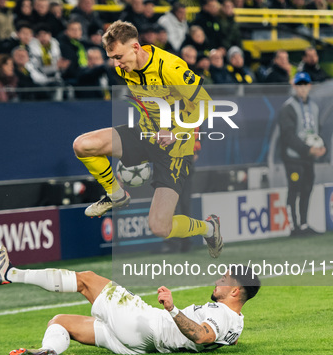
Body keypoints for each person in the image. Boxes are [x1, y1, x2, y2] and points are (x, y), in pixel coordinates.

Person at [72, 20, 224, 258]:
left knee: (160, 227)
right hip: (147, 134)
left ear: (135, 47)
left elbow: (206, 104)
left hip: (175, 148)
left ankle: (209, 228)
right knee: (82, 145)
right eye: (111, 57)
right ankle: (117, 195)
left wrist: (176, 132)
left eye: (118, 56)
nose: (116, 63)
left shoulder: (170, 67)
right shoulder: (125, 68)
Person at [0, 245, 260, 355]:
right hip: (139, 346)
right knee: (60, 322)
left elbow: (201, 336)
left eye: (224, 280)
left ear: (235, 291)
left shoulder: (221, 313)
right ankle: (46, 350)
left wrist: (172, 309)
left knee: (87, 280)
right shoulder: (236, 323)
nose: (217, 281)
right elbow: (222, 338)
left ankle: (12, 274)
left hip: (146, 325)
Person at [278, 72, 325, 236]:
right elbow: (288, 135)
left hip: (308, 157)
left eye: (305, 85)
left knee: (306, 189)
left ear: (310, 86)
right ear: (294, 86)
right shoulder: (288, 108)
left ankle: (304, 224)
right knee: (294, 189)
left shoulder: (315, 107)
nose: (303, 88)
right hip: (293, 157)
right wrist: (307, 149)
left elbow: (318, 130)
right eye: (299, 85)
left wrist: (321, 147)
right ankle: (293, 227)